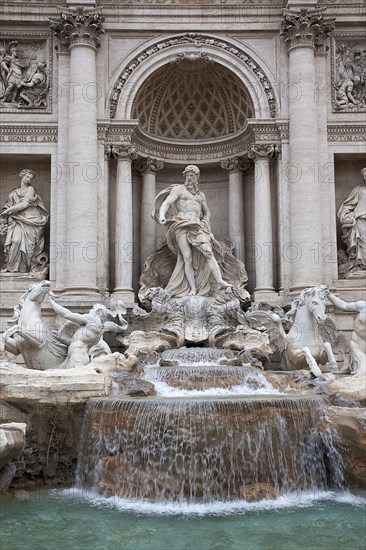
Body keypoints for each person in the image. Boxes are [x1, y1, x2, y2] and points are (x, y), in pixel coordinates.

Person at [152, 165, 230, 297]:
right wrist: (162, 216)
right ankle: (192, 289)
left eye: (192, 175)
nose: (190, 177)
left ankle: (220, 280)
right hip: (181, 224)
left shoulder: (201, 195)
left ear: (197, 177)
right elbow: (167, 203)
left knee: (208, 252)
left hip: (197, 226)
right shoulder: (178, 189)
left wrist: (205, 221)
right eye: (188, 175)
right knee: (186, 257)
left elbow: (207, 212)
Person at [0, 168, 49, 273]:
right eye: (27, 176)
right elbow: (8, 204)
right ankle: (10, 267)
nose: (28, 179)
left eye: (30, 178)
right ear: (21, 176)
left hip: (30, 219)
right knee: (15, 241)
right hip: (17, 219)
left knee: (28, 245)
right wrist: (6, 211)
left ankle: (24, 269)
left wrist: (8, 210)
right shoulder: (14, 192)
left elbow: (24, 204)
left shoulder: (30, 189)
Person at [48, 299, 110, 369]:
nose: (90, 311)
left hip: (77, 357)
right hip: (79, 356)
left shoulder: (92, 319)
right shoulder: (99, 330)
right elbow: (77, 342)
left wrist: (52, 303)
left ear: (98, 311)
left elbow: (67, 314)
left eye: (92, 309)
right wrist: (61, 339)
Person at [327, 292, 366, 375]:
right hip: (358, 343)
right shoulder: (362, 306)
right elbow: (343, 305)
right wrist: (329, 295)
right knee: (362, 371)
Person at [338, 167, 366, 272]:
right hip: (360, 220)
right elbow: (348, 205)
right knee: (362, 243)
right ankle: (361, 265)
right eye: (365, 176)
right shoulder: (359, 190)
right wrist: (345, 214)